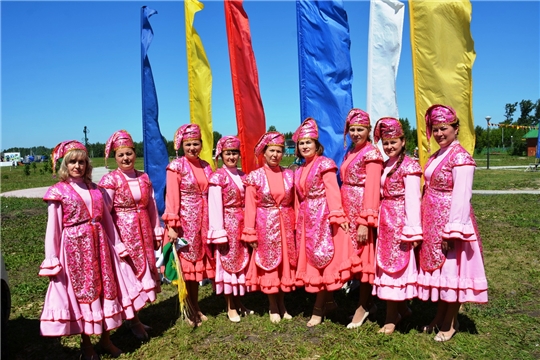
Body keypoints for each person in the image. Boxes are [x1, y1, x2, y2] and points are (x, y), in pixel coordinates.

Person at [39, 140, 148, 359]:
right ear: (65, 165)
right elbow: (54, 229)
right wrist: (52, 258)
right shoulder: (58, 192)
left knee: (106, 291)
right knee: (83, 296)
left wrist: (117, 244)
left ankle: (106, 339)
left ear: (87, 164)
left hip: (100, 247)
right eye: (72, 162)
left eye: (81, 162)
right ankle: (86, 345)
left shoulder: (97, 190)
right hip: (75, 251)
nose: (77, 166)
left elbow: (107, 220)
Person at [418, 104, 488, 342]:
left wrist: (453, 230)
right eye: (435, 129)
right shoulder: (439, 154)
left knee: (452, 272)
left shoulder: (461, 158)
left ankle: (451, 321)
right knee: (441, 272)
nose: (439, 134)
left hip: (450, 221)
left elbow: (462, 197)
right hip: (432, 220)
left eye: (444, 128)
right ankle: (440, 316)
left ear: (456, 129)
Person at [99, 130, 163, 340]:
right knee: (129, 275)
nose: (126, 158)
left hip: (143, 229)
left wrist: (156, 229)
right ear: (115, 158)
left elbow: (151, 205)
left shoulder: (143, 177)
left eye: (129, 153)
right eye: (121, 155)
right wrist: (114, 240)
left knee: (144, 270)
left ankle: (134, 317)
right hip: (123, 232)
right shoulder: (110, 181)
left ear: (135, 154)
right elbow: (105, 212)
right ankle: (133, 321)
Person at [292, 118, 351, 327]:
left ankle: (318, 308)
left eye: (309, 142)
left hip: (322, 218)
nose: (305, 146)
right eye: (301, 143)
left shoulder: (324, 164)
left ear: (317, 145)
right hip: (307, 219)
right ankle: (329, 302)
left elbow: (332, 191)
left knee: (321, 259)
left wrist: (337, 215)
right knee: (312, 260)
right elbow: (299, 198)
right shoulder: (299, 170)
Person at [371, 118, 422, 334]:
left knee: (394, 268)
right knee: (387, 266)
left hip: (399, 221)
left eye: (394, 142)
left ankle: (391, 318)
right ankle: (402, 310)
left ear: (403, 141)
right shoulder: (386, 165)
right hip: (386, 220)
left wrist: (412, 230)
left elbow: (413, 199)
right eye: (386, 143)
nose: (389, 147)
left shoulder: (410, 166)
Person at [241, 131, 296, 324]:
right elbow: (250, 206)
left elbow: (294, 202)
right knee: (270, 264)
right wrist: (250, 232)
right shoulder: (255, 177)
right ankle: (273, 305)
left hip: (286, 224)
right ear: (264, 152)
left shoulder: (289, 175)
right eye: (272, 151)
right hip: (265, 225)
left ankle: (283, 304)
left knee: (284, 265)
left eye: (279, 151)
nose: (275, 155)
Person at [163, 124, 215, 326]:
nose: (192, 148)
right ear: (181, 146)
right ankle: (189, 309)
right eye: (188, 144)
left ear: (201, 145)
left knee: (196, 270)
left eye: (196, 144)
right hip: (185, 224)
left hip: (203, 222)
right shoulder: (176, 167)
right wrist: (172, 225)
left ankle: (196, 305)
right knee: (187, 270)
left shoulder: (206, 166)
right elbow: (172, 197)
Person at [339, 108, 384, 329]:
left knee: (365, 259)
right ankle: (369, 303)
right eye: (353, 129)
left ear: (368, 130)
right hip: (348, 207)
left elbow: (373, 188)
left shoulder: (372, 153)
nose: (356, 133)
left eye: (361, 129)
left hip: (362, 212)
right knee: (354, 258)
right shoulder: (350, 152)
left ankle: (363, 306)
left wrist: (365, 221)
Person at [207, 136, 252, 323]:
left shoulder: (243, 176)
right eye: (228, 153)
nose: (232, 156)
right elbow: (215, 205)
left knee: (240, 264)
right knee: (227, 264)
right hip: (227, 225)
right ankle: (230, 306)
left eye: (234, 153)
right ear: (221, 154)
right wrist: (219, 231)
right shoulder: (218, 177)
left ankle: (239, 301)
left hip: (241, 225)